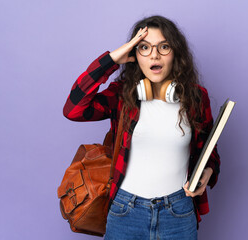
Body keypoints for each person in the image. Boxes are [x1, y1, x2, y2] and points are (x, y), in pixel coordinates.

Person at [63, 15, 220, 240]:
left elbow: (209, 149)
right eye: (144, 47)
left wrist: (207, 172)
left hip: (178, 212)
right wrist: (112, 60)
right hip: (126, 211)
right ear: (134, 55)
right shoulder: (122, 95)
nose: (154, 54)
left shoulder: (196, 98)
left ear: (176, 53)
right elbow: (73, 109)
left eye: (163, 47)